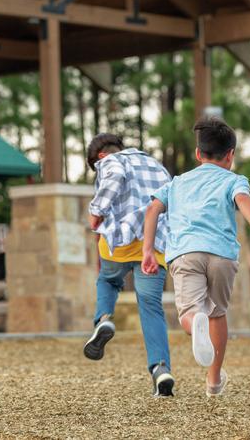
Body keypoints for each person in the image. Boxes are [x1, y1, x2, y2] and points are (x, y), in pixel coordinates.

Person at [142, 116, 250, 396]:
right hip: (222, 255)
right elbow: (243, 200)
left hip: (186, 253)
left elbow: (153, 210)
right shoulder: (234, 180)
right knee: (217, 313)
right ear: (230, 155)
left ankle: (196, 324)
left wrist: (147, 250)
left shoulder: (178, 182)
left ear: (198, 154)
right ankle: (214, 380)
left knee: (190, 314)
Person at [84, 133, 175, 397]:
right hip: (154, 244)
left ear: (100, 156)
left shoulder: (111, 161)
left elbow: (112, 176)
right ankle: (161, 369)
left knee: (108, 280)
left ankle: (103, 319)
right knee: (151, 308)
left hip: (120, 241)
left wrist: (96, 212)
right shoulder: (155, 164)